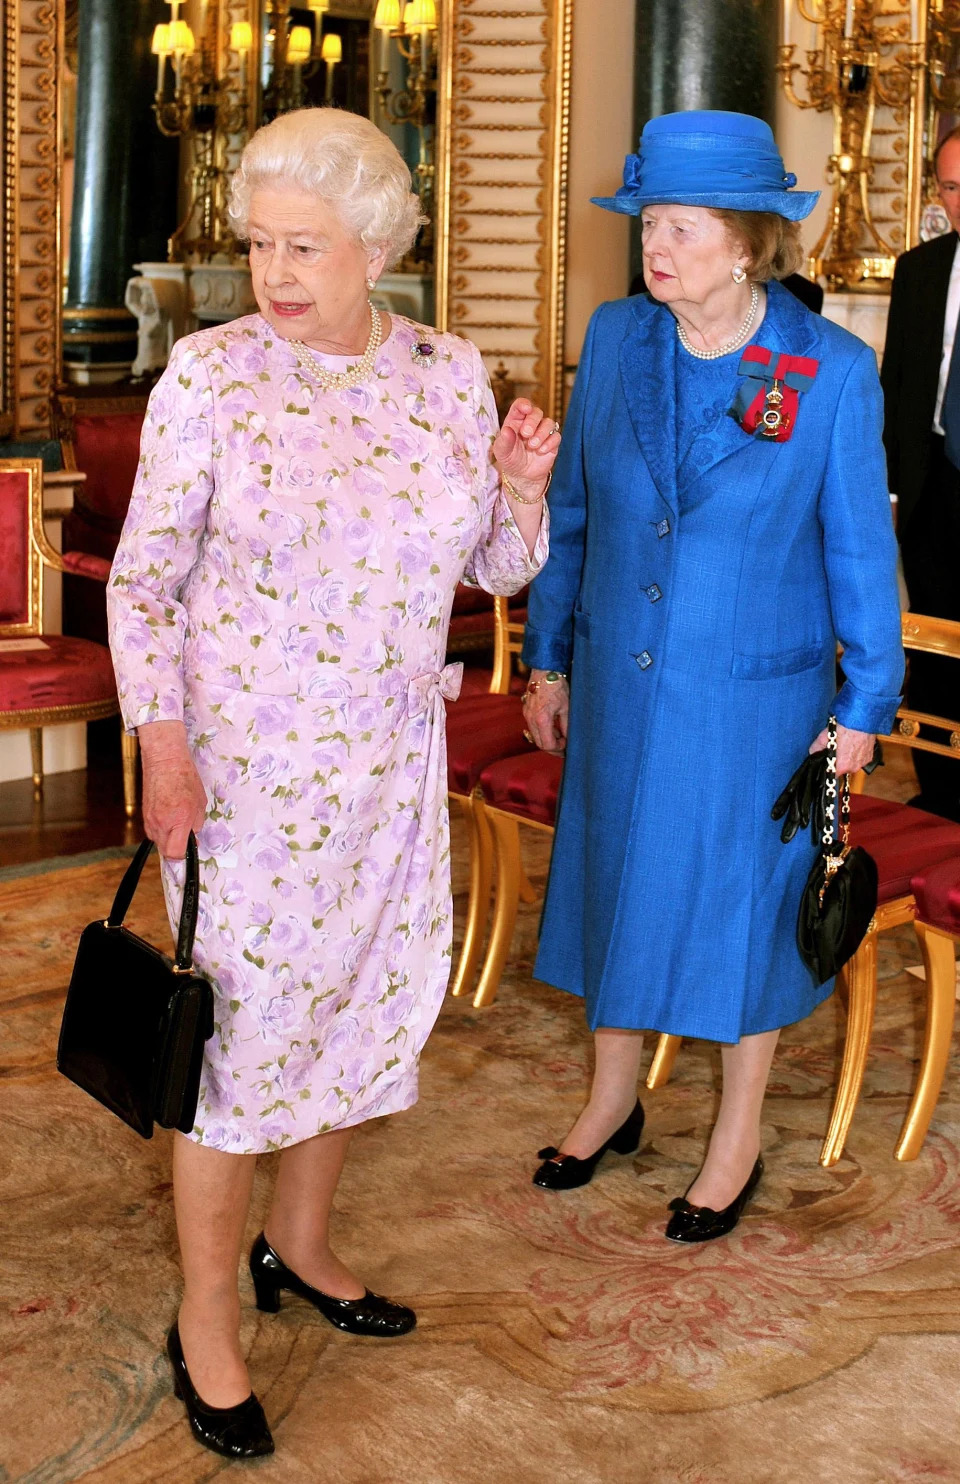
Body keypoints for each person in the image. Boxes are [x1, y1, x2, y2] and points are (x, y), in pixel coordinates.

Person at [107, 107, 557, 1460]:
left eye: (306, 245)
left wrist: (522, 486)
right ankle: (206, 1317)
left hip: (386, 780)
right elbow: (144, 583)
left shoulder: (445, 374)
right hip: (242, 782)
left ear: (379, 246)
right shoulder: (210, 377)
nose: (276, 272)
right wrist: (163, 746)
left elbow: (497, 565)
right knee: (237, 1049)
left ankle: (299, 1249)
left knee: (356, 1018)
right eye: (259, 244)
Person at [521, 111, 903, 1242]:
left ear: (745, 242)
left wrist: (865, 708)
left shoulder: (827, 374)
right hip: (622, 687)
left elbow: (859, 553)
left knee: (744, 915)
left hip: (757, 700)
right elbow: (574, 517)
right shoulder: (619, 339)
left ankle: (736, 1133)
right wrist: (546, 654)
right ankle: (611, 1097)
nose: (657, 244)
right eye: (651, 222)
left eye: (682, 227)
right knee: (615, 886)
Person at [881, 123, 960, 823]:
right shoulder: (920, 268)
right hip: (934, 482)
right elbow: (899, 383)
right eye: (951, 185)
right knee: (933, 640)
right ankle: (941, 793)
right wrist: (895, 487)